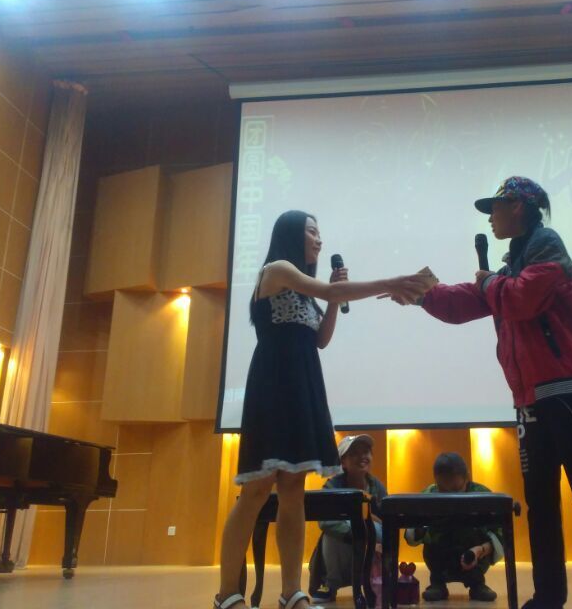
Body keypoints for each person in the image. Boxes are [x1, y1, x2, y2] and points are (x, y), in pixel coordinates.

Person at [397, 177, 572, 609]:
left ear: (518, 207)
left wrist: (489, 283)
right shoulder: (513, 264)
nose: (490, 217)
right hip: (529, 397)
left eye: (494, 207)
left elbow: (522, 298)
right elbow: (469, 301)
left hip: (567, 388)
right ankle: (549, 597)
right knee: (541, 503)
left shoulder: (546, 245)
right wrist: (422, 295)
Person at [214, 210, 431, 609]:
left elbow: (321, 339)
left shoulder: (308, 293)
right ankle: (227, 593)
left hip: (304, 386)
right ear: (291, 234)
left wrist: (334, 299)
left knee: (293, 490)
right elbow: (328, 295)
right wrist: (387, 283)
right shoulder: (277, 269)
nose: (319, 239)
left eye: (319, 232)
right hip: (274, 385)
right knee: (257, 490)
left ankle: (291, 591)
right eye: (312, 231)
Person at [405, 452, 501, 603]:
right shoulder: (428, 495)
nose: (450, 496)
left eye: (456, 489)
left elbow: (501, 533)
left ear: (467, 477)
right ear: (436, 481)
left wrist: (480, 550)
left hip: (474, 556)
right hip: (439, 557)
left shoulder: (482, 496)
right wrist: (422, 527)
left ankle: (477, 584)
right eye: (443, 490)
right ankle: (437, 584)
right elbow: (412, 534)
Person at [310, 434, 387, 603]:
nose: (362, 457)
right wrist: (361, 526)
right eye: (354, 454)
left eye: (366, 452)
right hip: (345, 547)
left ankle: (375, 584)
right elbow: (325, 521)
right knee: (331, 534)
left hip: (372, 549)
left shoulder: (377, 487)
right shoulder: (331, 487)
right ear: (343, 463)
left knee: (377, 530)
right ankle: (330, 585)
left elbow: (387, 524)